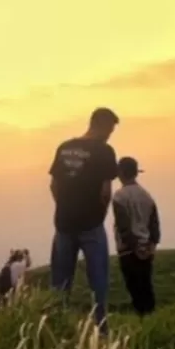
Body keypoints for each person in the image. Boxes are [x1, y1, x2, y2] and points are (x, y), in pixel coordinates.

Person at [48, 107, 119, 335]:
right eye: (110, 129)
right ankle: (101, 332)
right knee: (98, 283)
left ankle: (56, 330)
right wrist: (99, 215)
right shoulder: (104, 151)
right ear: (104, 125)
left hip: (64, 223)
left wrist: (65, 207)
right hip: (91, 225)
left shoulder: (65, 147)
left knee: (60, 283)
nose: (110, 134)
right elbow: (105, 192)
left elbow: (54, 186)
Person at [112, 157, 161, 317]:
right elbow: (154, 224)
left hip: (128, 250)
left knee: (134, 288)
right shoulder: (146, 195)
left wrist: (134, 247)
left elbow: (123, 226)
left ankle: (142, 319)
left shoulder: (119, 197)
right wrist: (151, 245)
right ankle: (152, 317)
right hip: (147, 248)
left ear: (121, 173)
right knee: (146, 285)